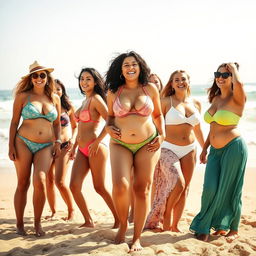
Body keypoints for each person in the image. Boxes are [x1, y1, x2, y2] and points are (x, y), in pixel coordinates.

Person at [105, 51, 165, 251]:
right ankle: (123, 224)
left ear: (140, 67)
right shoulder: (114, 91)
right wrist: (107, 127)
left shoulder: (150, 89)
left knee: (142, 188)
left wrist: (162, 134)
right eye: (126, 65)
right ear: (121, 70)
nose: (130, 68)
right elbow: (110, 117)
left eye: (133, 64)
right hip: (119, 144)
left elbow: (157, 115)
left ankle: (136, 237)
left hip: (147, 143)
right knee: (120, 185)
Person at [190, 63, 248, 242]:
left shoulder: (237, 98)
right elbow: (213, 126)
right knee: (209, 188)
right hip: (215, 151)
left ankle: (232, 228)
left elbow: (240, 85)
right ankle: (204, 226)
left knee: (231, 189)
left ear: (232, 77)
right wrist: (205, 147)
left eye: (226, 74)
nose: (220, 77)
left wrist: (234, 69)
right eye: (218, 74)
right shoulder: (216, 98)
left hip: (234, 148)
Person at [145, 70, 204, 232]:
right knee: (178, 183)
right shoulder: (165, 101)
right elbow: (153, 124)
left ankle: (174, 226)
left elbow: (197, 129)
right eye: (176, 79)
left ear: (188, 81)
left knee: (185, 189)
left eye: (183, 79)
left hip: (190, 149)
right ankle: (167, 214)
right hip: (167, 148)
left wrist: (205, 148)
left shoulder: (196, 103)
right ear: (171, 83)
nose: (180, 82)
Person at [8, 61, 61, 236]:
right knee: (23, 183)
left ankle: (37, 224)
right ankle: (20, 223)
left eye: (42, 75)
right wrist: (10, 146)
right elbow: (14, 122)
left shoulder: (54, 98)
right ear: (31, 78)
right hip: (22, 142)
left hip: (46, 145)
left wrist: (58, 142)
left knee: (40, 181)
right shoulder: (23, 96)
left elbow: (56, 123)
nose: (38, 78)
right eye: (35, 75)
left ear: (47, 77)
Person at [69, 67, 119, 228]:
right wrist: (74, 147)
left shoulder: (96, 99)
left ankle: (119, 219)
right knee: (74, 186)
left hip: (95, 147)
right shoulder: (85, 100)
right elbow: (81, 127)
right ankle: (88, 220)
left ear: (95, 81)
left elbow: (110, 121)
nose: (84, 82)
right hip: (82, 150)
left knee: (99, 187)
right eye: (82, 79)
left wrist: (98, 141)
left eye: (88, 79)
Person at [46, 79, 77, 220]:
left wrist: (72, 140)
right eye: (53, 89)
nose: (56, 91)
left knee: (60, 181)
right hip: (47, 147)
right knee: (49, 180)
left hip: (65, 146)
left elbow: (76, 126)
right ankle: (53, 211)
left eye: (58, 89)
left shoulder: (68, 106)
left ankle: (71, 210)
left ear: (63, 90)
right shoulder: (45, 106)